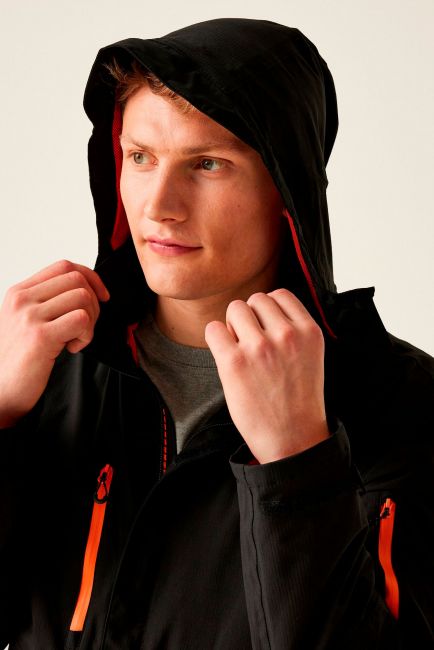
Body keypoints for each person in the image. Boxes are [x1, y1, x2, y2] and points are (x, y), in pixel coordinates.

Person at [0, 17, 433, 650]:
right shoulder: (49, 367)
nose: (159, 205)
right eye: (140, 157)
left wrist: (297, 461)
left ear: (286, 187)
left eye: (207, 163)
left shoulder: (400, 404)